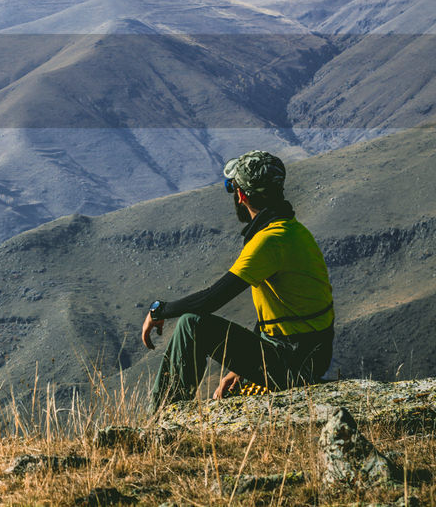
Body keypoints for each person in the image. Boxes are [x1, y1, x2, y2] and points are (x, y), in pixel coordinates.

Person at [140, 150, 334, 412]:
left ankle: (162, 420)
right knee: (195, 325)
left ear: (241, 195)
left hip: (292, 363)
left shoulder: (268, 242)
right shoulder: (294, 232)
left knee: (191, 325)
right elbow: (280, 311)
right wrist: (239, 369)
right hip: (304, 357)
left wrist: (159, 310)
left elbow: (211, 299)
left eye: (231, 187)